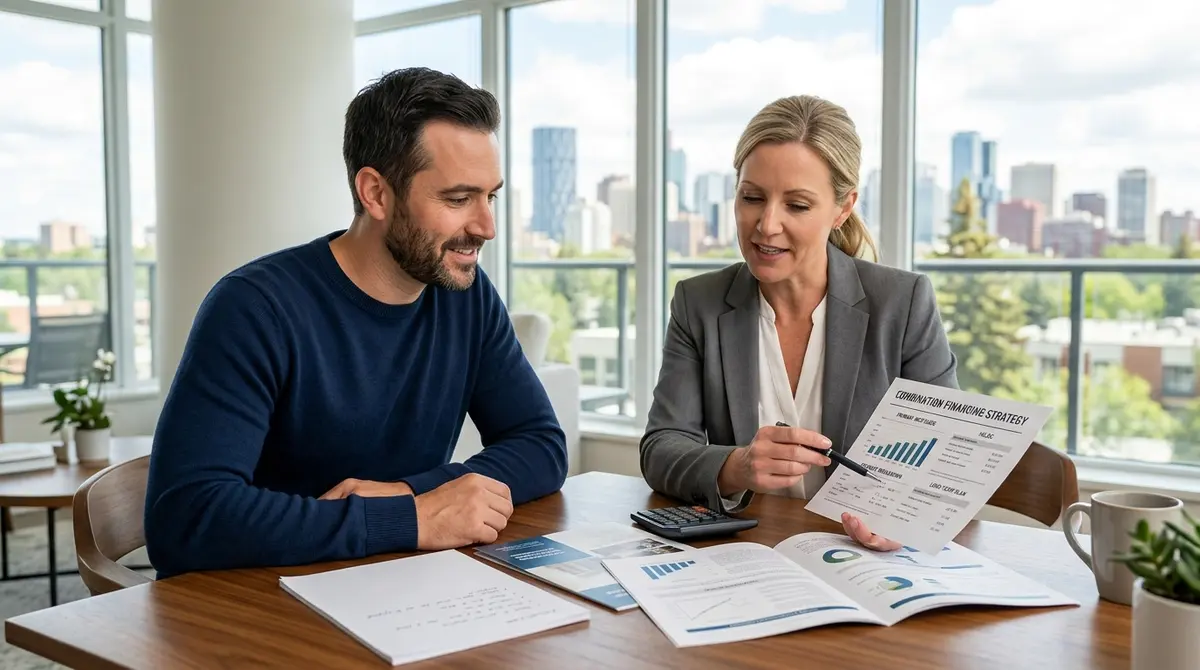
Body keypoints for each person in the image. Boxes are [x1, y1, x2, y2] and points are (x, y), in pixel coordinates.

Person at [143, 67, 568, 578]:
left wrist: (414, 492)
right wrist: (408, 518)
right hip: (261, 602)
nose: (487, 227)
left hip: (395, 587)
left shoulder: (467, 297)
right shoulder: (254, 308)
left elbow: (542, 444)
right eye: (458, 199)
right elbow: (185, 519)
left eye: (490, 196)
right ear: (376, 193)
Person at [640, 94, 958, 551]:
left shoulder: (903, 303)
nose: (767, 225)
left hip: (864, 559)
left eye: (798, 205)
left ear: (842, 208)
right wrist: (737, 465)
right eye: (752, 198)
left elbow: (945, 459)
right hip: (748, 558)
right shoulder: (699, 303)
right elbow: (662, 448)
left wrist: (903, 519)